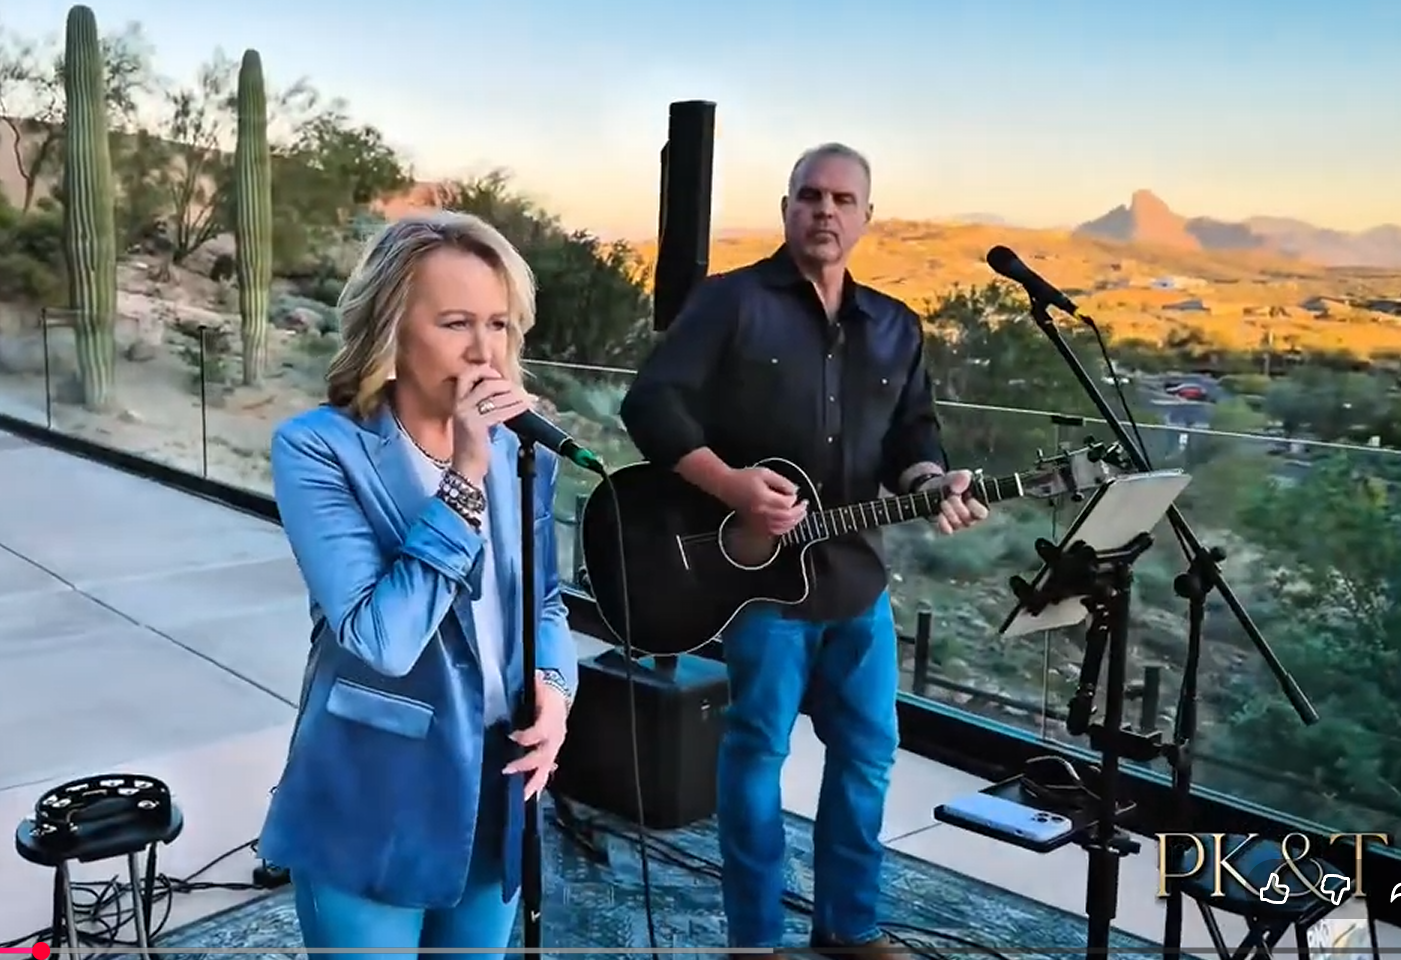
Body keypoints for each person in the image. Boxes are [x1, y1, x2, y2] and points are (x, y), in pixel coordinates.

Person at [619, 143, 989, 957]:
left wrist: (933, 480)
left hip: (858, 583)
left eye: (842, 200)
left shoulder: (896, 326)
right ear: (787, 207)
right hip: (758, 586)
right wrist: (732, 486)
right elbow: (650, 405)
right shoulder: (730, 302)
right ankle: (754, 939)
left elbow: (914, 437)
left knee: (868, 757)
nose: (825, 210)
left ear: (866, 217)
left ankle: (848, 927)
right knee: (757, 755)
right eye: (810, 196)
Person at [259, 211, 579, 960]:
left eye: (498, 324)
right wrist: (464, 476)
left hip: (498, 784)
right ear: (391, 329)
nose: (484, 351)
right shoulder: (320, 449)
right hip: (374, 795)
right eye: (456, 323)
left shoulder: (524, 453)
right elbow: (382, 638)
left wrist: (556, 689)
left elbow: (544, 602)